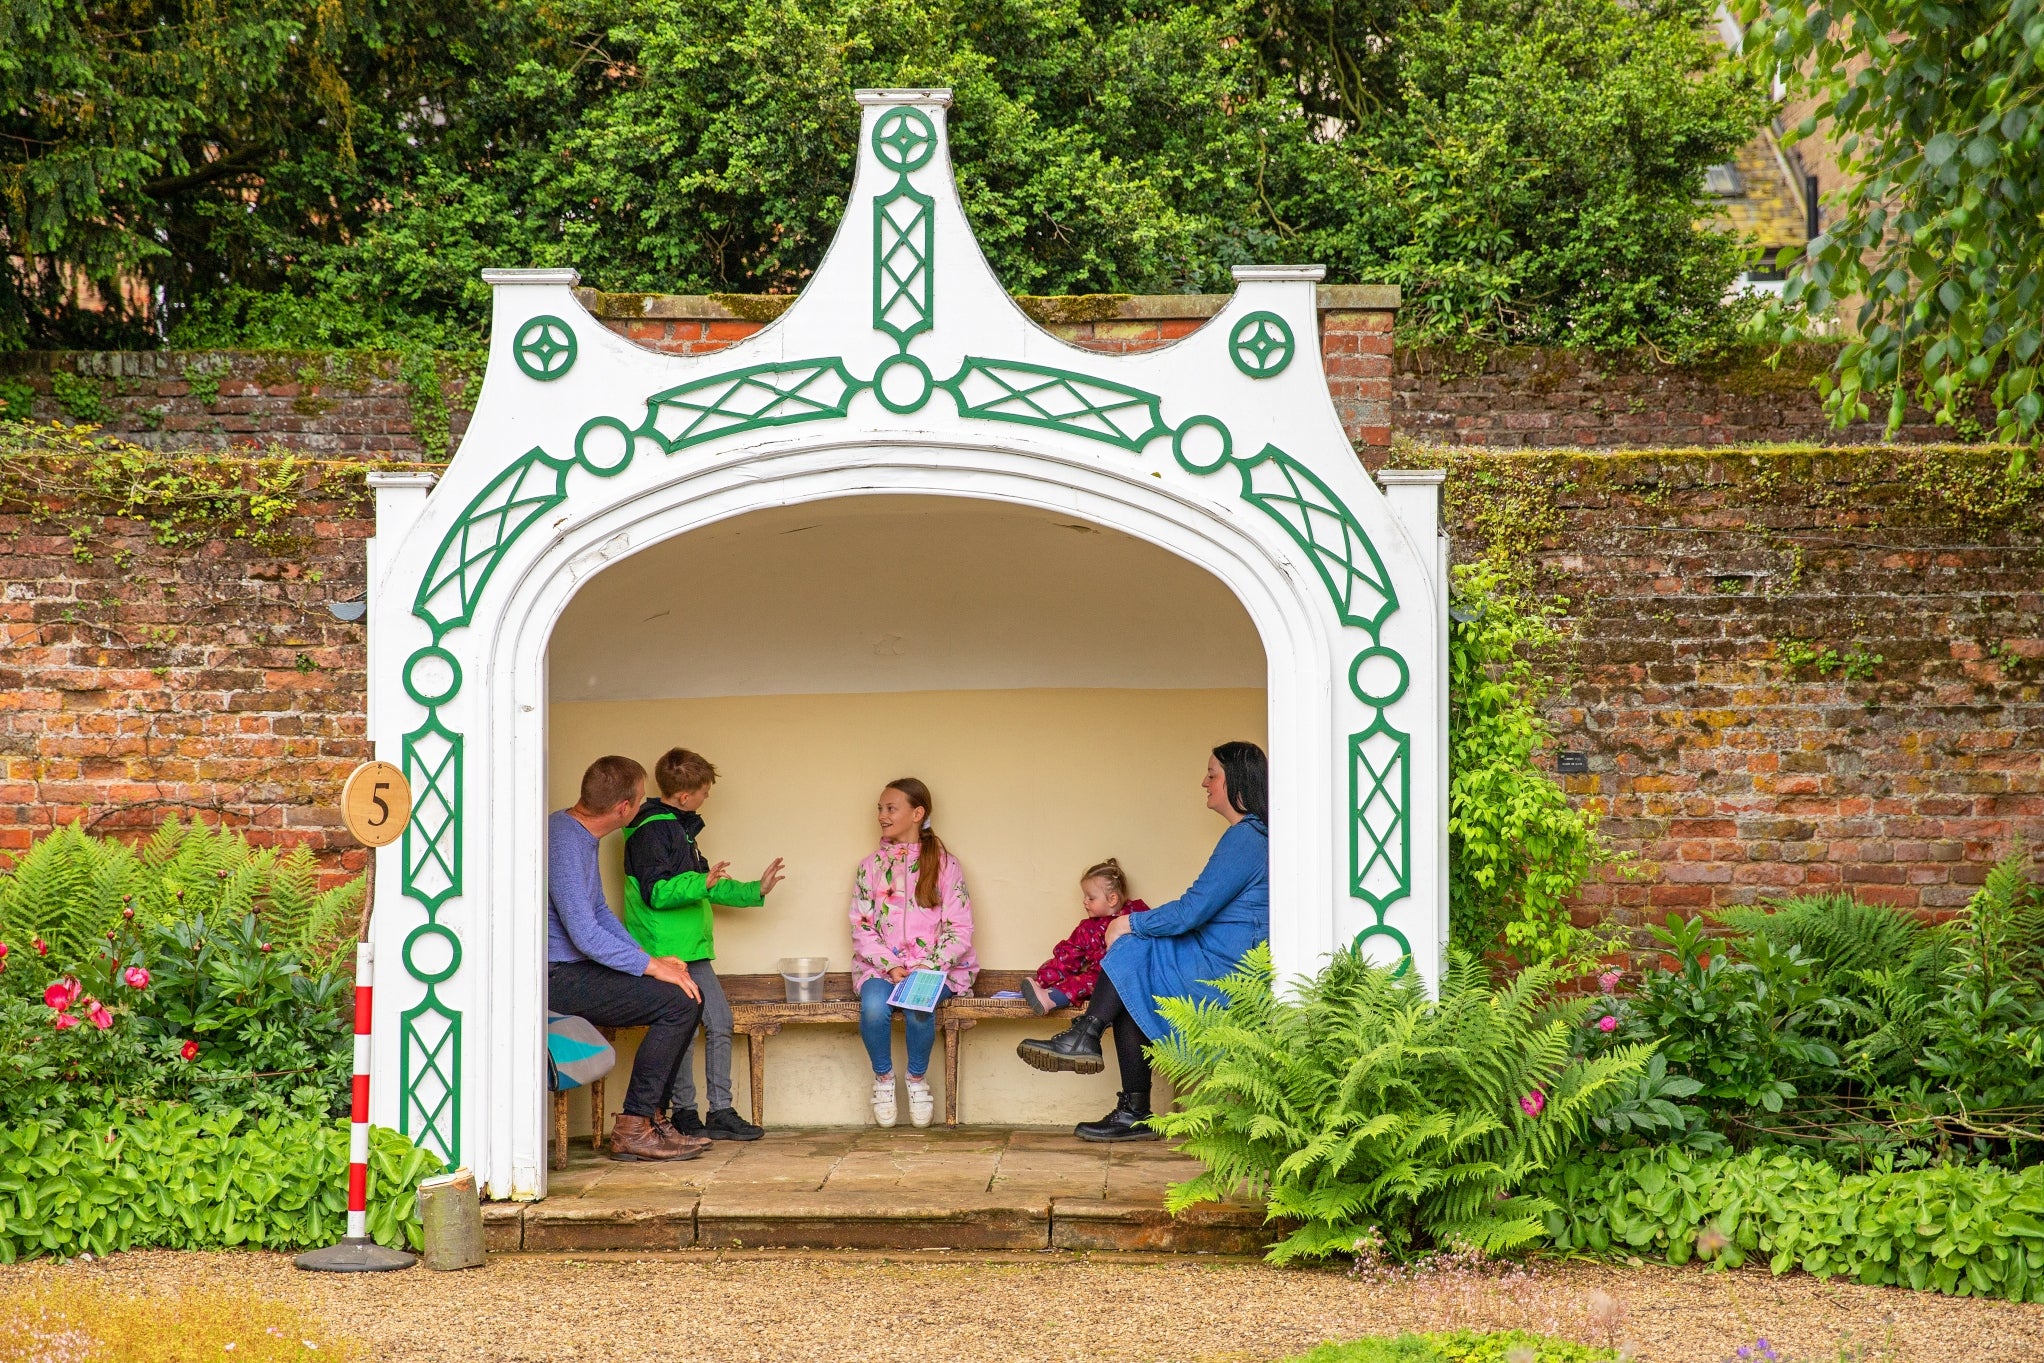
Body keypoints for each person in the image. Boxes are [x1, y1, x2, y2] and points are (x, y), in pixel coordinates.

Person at [1017, 742, 1269, 1142]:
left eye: (1212, 774)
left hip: (1226, 969)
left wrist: (1128, 922)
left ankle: (1095, 1048)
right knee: (1132, 980)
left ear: (1236, 781)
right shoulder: (1253, 837)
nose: (1204, 782)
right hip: (1219, 959)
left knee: (1132, 949)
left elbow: (1192, 910)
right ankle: (1123, 1096)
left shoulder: (1247, 837)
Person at [546, 754, 712, 1162]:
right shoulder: (565, 840)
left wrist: (649, 958)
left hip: (573, 968)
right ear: (625, 809)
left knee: (683, 993)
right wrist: (654, 968)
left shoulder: (577, 833)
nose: (643, 805)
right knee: (678, 1001)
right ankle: (635, 1126)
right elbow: (584, 935)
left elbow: (599, 911)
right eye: (640, 799)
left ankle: (652, 1120)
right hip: (555, 976)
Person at [622, 746, 785, 1141]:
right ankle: (685, 1113)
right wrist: (702, 882)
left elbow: (703, 885)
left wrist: (753, 890)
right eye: (704, 791)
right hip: (666, 953)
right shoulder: (651, 830)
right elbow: (656, 893)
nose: (707, 797)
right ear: (683, 796)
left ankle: (720, 1111)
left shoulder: (677, 827)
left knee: (718, 1023)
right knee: (683, 1027)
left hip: (692, 949)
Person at [848, 777, 977, 1128]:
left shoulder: (946, 866)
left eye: (891, 808)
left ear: (917, 813)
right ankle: (884, 1080)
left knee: (920, 1006)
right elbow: (861, 926)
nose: (882, 815)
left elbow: (960, 927)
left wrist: (928, 965)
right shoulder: (869, 868)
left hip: (937, 968)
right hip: (881, 969)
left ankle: (917, 1081)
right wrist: (890, 966)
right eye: (880, 808)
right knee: (874, 1008)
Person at [1022, 858, 1150, 1015]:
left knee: (1094, 981)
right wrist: (1042, 980)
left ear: (1112, 899)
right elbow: (1067, 956)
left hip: (1139, 980)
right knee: (1085, 981)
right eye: (1084, 897)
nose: (1084, 902)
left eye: (1091, 898)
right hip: (1103, 980)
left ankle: (1050, 997)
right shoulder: (1088, 929)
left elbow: (1155, 942)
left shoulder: (1136, 915)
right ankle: (1049, 997)